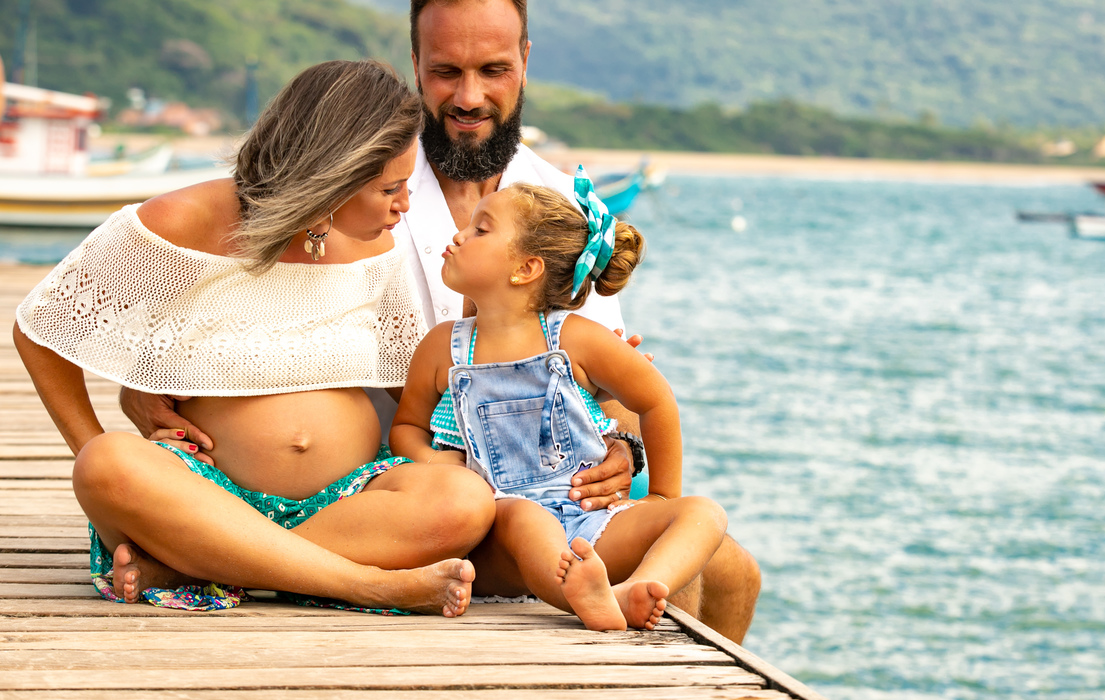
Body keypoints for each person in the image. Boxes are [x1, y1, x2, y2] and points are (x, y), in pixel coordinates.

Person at [13, 60, 489, 616]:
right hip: (205, 494)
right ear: (335, 170)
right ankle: (363, 584)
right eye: (390, 187)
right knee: (105, 464)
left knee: (463, 500)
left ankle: (205, 565)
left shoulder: (374, 249)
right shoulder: (184, 221)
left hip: (344, 502)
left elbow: (407, 389)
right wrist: (96, 431)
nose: (404, 204)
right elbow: (40, 328)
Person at [400, 0, 762, 642]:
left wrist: (627, 450)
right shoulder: (372, 191)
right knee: (704, 572)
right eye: (445, 71)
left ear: (526, 62)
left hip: (568, 496)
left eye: (494, 69)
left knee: (735, 568)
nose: (469, 95)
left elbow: (613, 387)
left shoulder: (562, 207)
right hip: (446, 499)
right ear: (415, 63)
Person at [393, 177, 727, 631]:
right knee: (524, 517)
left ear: (526, 269)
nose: (459, 236)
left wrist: (661, 496)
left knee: (704, 513)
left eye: (481, 230)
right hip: (499, 537)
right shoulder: (443, 349)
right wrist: (434, 461)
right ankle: (581, 597)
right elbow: (406, 428)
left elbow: (656, 400)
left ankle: (637, 588)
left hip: (591, 521)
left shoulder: (575, 339)